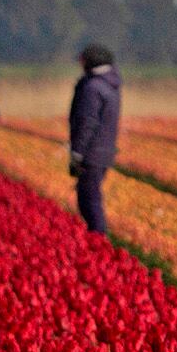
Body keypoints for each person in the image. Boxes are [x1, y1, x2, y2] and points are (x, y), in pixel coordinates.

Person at [68, 44, 121, 235]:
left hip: (91, 153)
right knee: (89, 197)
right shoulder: (110, 84)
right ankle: (96, 240)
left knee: (89, 200)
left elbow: (86, 122)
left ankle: (98, 242)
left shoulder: (92, 87)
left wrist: (77, 153)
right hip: (103, 152)